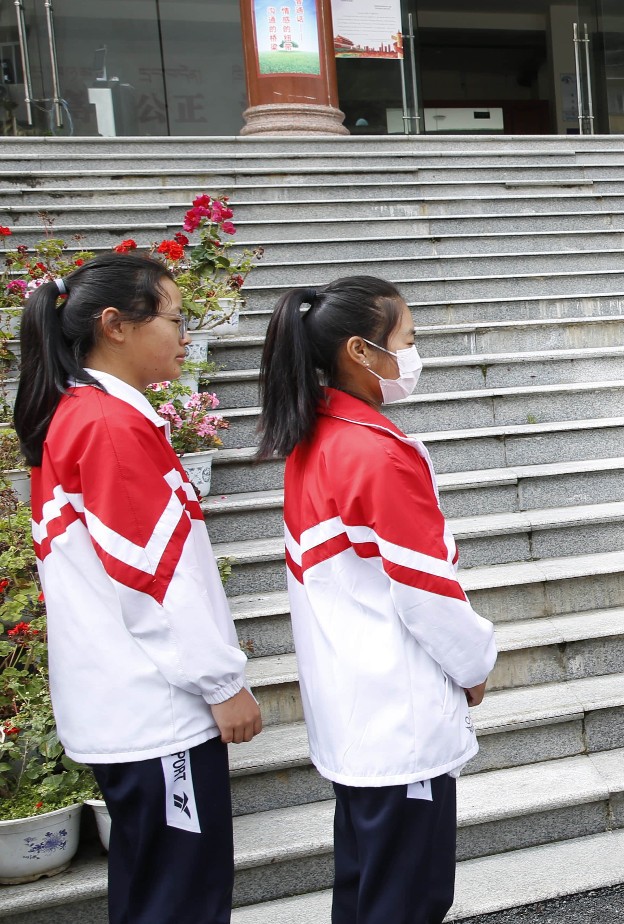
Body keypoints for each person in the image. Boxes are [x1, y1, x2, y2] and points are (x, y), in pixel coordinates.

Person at [16, 254, 262, 924]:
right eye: (174, 318)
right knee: (179, 902)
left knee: (157, 893)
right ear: (114, 326)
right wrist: (221, 682)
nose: (184, 335)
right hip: (157, 716)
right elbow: (154, 579)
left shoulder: (92, 415)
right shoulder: (106, 425)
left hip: (138, 709)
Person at [256, 276, 498, 924]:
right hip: (398, 721)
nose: (414, 355)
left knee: (366, 895)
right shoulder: (377, 453)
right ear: (361, 352)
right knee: (408, 901)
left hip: (354, 715)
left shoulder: (314, 442)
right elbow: (426, 593)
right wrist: (473, 667)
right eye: (408, 341)